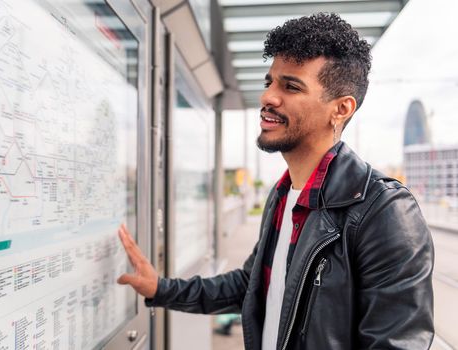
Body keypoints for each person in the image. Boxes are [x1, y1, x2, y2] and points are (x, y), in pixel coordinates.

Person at [117, 13, 434, 350]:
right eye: (270, 82)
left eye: (291, 86)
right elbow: (250, 285)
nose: (268, 97)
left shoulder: (383, 210)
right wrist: (161, 289)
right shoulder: (284, 194)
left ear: (340, 109)